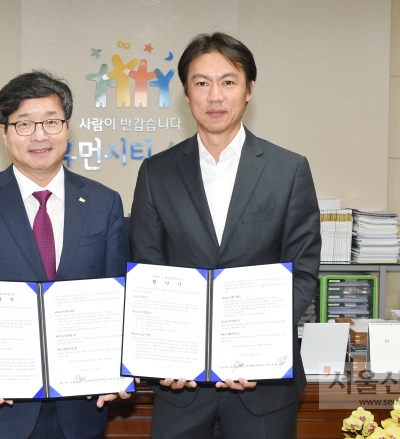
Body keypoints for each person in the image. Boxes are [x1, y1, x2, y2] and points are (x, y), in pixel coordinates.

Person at [130, 33, 321, 439]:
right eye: (201, 83)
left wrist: (256, 350)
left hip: (263, 387)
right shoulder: (156, 173)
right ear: (186, 93)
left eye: (228, 81)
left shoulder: (288, 170)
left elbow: (303, 271)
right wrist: (163, 355)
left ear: (249, 89)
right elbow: (148, 271)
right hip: (180, 387)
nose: (215, 95)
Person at [0, 70, 131, 439]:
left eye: (51, 121)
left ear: (67, 128)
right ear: (4, 132)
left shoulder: (104, 203)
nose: (40, 135)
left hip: (81, 408)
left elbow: (120, 295)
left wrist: (119, 365)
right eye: (24, 123)